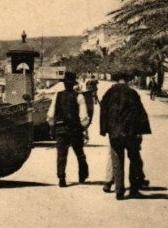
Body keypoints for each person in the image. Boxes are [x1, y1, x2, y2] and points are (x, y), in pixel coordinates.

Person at [100, 71, 151, 200]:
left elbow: (103, 112)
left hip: (114, 134)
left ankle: (119, 191)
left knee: (117, 161)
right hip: (131, 133)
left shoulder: (109, 93)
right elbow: (140, 113)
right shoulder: (132, 93)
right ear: (127, 80)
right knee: (133, 159)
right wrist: (140, 132)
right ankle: (133, 189)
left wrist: (104, 130)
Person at [47, 71, 90, 187]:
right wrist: (84, 129)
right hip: (75, 129)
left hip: (61, 129)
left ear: (65, 84)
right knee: (80, 153)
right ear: (74, 84)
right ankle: (82, 176)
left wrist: (52, 127)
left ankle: (61, 178)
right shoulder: (79, 96)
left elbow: (51, 114)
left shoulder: (58, 95)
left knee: (61, 154)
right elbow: (84, 116)